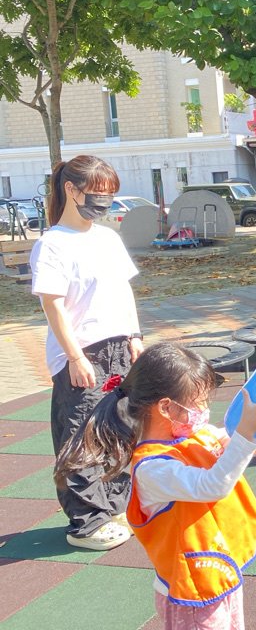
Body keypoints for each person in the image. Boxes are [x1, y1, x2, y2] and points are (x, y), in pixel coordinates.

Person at [53, 343, 256, 630]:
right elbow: (212, 486)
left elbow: (218, 439)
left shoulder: (191, 434)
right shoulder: (152, 468)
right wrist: (245, 435)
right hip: (190, 594)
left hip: (216, 575)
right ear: (166, 407)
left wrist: (239, 440)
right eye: (199, 402)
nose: (205, 411)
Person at [29, 155, 144, 550]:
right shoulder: (52, 244)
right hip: (82, 352)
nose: (103, 202)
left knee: (121, 429)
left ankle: (115, 507)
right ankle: (86, 524)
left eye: (109, 194)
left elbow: (124, 290)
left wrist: (134, 334)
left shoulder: (107, 238)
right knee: (81, 436)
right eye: (97, 193)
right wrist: (75, 357)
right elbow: (53, 306)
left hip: (119, 345)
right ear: (71, 190)